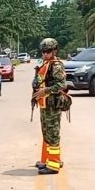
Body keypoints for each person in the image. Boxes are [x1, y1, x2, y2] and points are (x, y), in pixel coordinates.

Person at [32, 38, 67, 175]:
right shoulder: (46, 64)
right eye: (43, 51)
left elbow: (62, 85)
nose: (45, 54)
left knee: (52, 134)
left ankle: (53, 165)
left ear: (54, 51)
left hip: (52, 105)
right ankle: (47, 160)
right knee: (46, 133)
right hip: (45, 104)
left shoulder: (56, 65)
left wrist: (44, 91)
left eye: (48, 51)